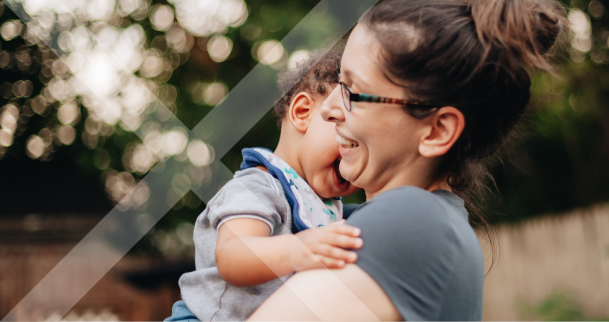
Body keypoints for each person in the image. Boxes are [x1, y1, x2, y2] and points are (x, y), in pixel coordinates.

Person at [248, 0, 565, 321]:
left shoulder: (411, 221)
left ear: (437, 131)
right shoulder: (390, 219)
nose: (329, 109)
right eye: (339, 82)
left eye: (353, 91)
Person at [164, 48, 363, 322]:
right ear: (303, 112)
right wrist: (298, 249)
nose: (354, 156)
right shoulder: (258, 187)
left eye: (366, 149)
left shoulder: (327, 206)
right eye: (350, 138)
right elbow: (233, 256)